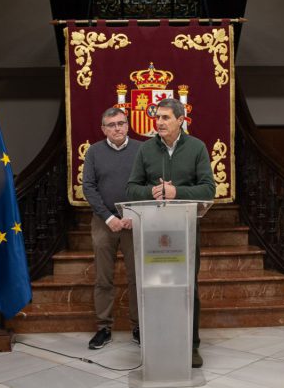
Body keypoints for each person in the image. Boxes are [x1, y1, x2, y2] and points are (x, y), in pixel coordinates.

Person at [126, 97, 215, 367]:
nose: (159, 122)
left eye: (166, 117)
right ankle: (158, 343)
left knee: (187, 286)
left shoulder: (197, 147)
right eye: (158, 117)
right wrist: (151, 192)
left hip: (185, 228)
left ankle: (191, 346)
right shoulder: (146, 149)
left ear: (180, 120)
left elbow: (208, 189)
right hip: (153, 230)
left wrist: (177, 192)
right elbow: (131, 188)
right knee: (156, 286)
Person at [82, 107, 142, 349]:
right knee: (103, 277)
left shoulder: (142, 149)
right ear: (103, 129)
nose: (117, 128)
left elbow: (148, 184)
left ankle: (139, 326)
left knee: (137, 277)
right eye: (112, 124)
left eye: (121, 123)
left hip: (134, 221)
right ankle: (103, 328)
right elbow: (88, 187)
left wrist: (134, 215)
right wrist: (109, 218)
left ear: (127, 125)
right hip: (104, 222)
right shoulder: (94, 152)